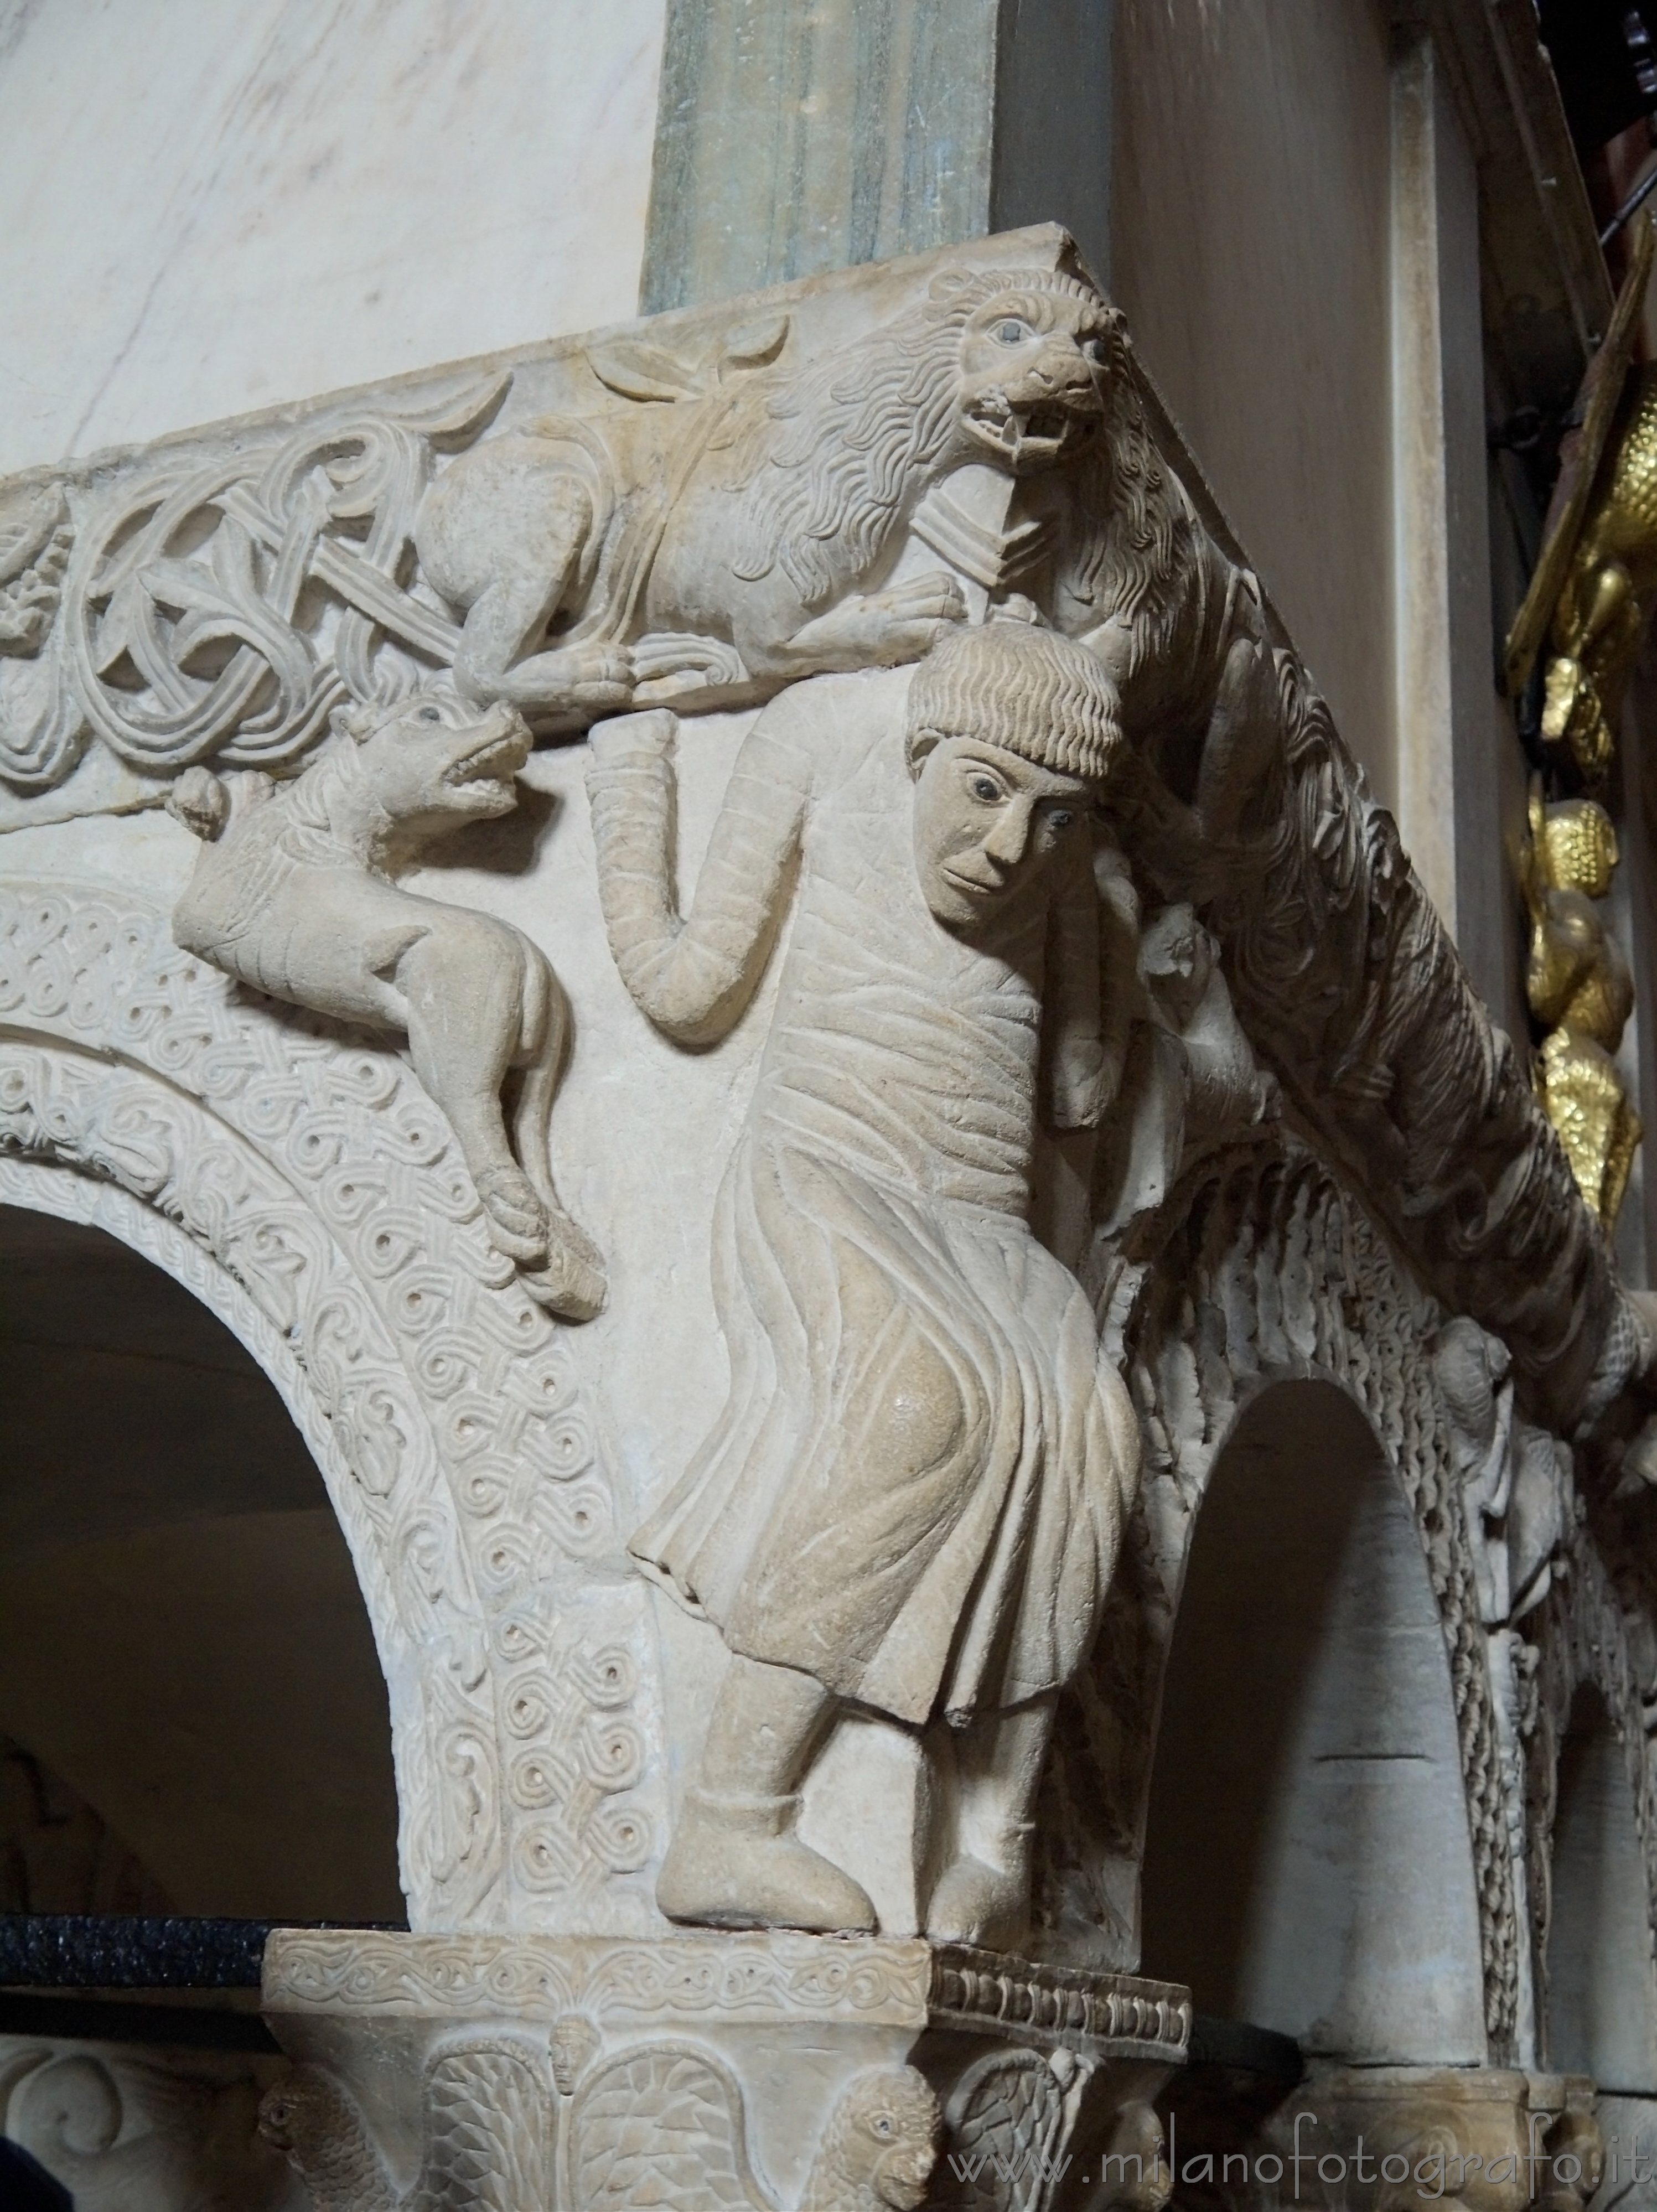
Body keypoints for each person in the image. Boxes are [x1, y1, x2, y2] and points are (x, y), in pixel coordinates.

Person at [588, 619, 1140, 1943]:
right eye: (985, 791)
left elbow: (1076, 1091)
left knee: (1096, 1431)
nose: (1010, 847)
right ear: (921, 749)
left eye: (1055, 817)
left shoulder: (1063, 883)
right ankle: (730, 1817)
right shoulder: (822, 743)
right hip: (825, 1172)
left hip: (985, 1222)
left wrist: (1117, 936)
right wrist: (629, 782)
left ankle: (992, 1845)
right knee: (920, 1404)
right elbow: (682, 986)